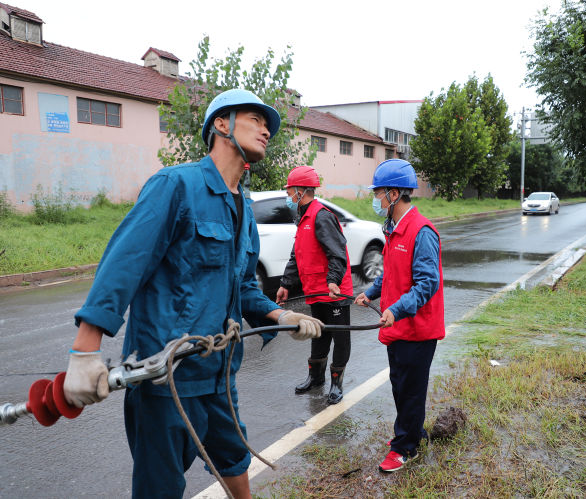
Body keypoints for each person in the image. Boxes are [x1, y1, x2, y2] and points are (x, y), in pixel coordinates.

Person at [62, 89, 324, 499]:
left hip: (219, 376)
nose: (266, 129)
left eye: (268, 124)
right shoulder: (176, 186)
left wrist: (279, 316)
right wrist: (85, 349)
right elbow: (123, 264)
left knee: (235, 458)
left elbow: (241, 288)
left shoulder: (244, 211)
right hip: (166, 380)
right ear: (221, 124)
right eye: (255, 118)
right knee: (160, 487)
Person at [354, 159, 445, 473]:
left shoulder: (422, 232)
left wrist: (396, 309)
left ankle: (406, 447)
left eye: (378, 193)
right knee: (401, 385)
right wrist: (372, 292)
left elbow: (427, 284)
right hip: (398, 327)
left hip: (417, 329)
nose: (375, 199)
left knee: (409, 389)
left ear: (393, 194)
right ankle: (416, 433)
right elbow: (391, 274)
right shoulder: (394, 230)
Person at [275, 165, 353, 404]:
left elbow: (337, 253)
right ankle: (316, 379)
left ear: (301, 190)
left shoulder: (322, 216)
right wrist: (286, 283)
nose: (288, 196)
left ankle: (336, 384)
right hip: (315, 291)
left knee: (340, 337)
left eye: (290, 191)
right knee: (318, 334)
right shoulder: (303, 218)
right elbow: (296, 254)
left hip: (333, 292)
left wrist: (333, 280)